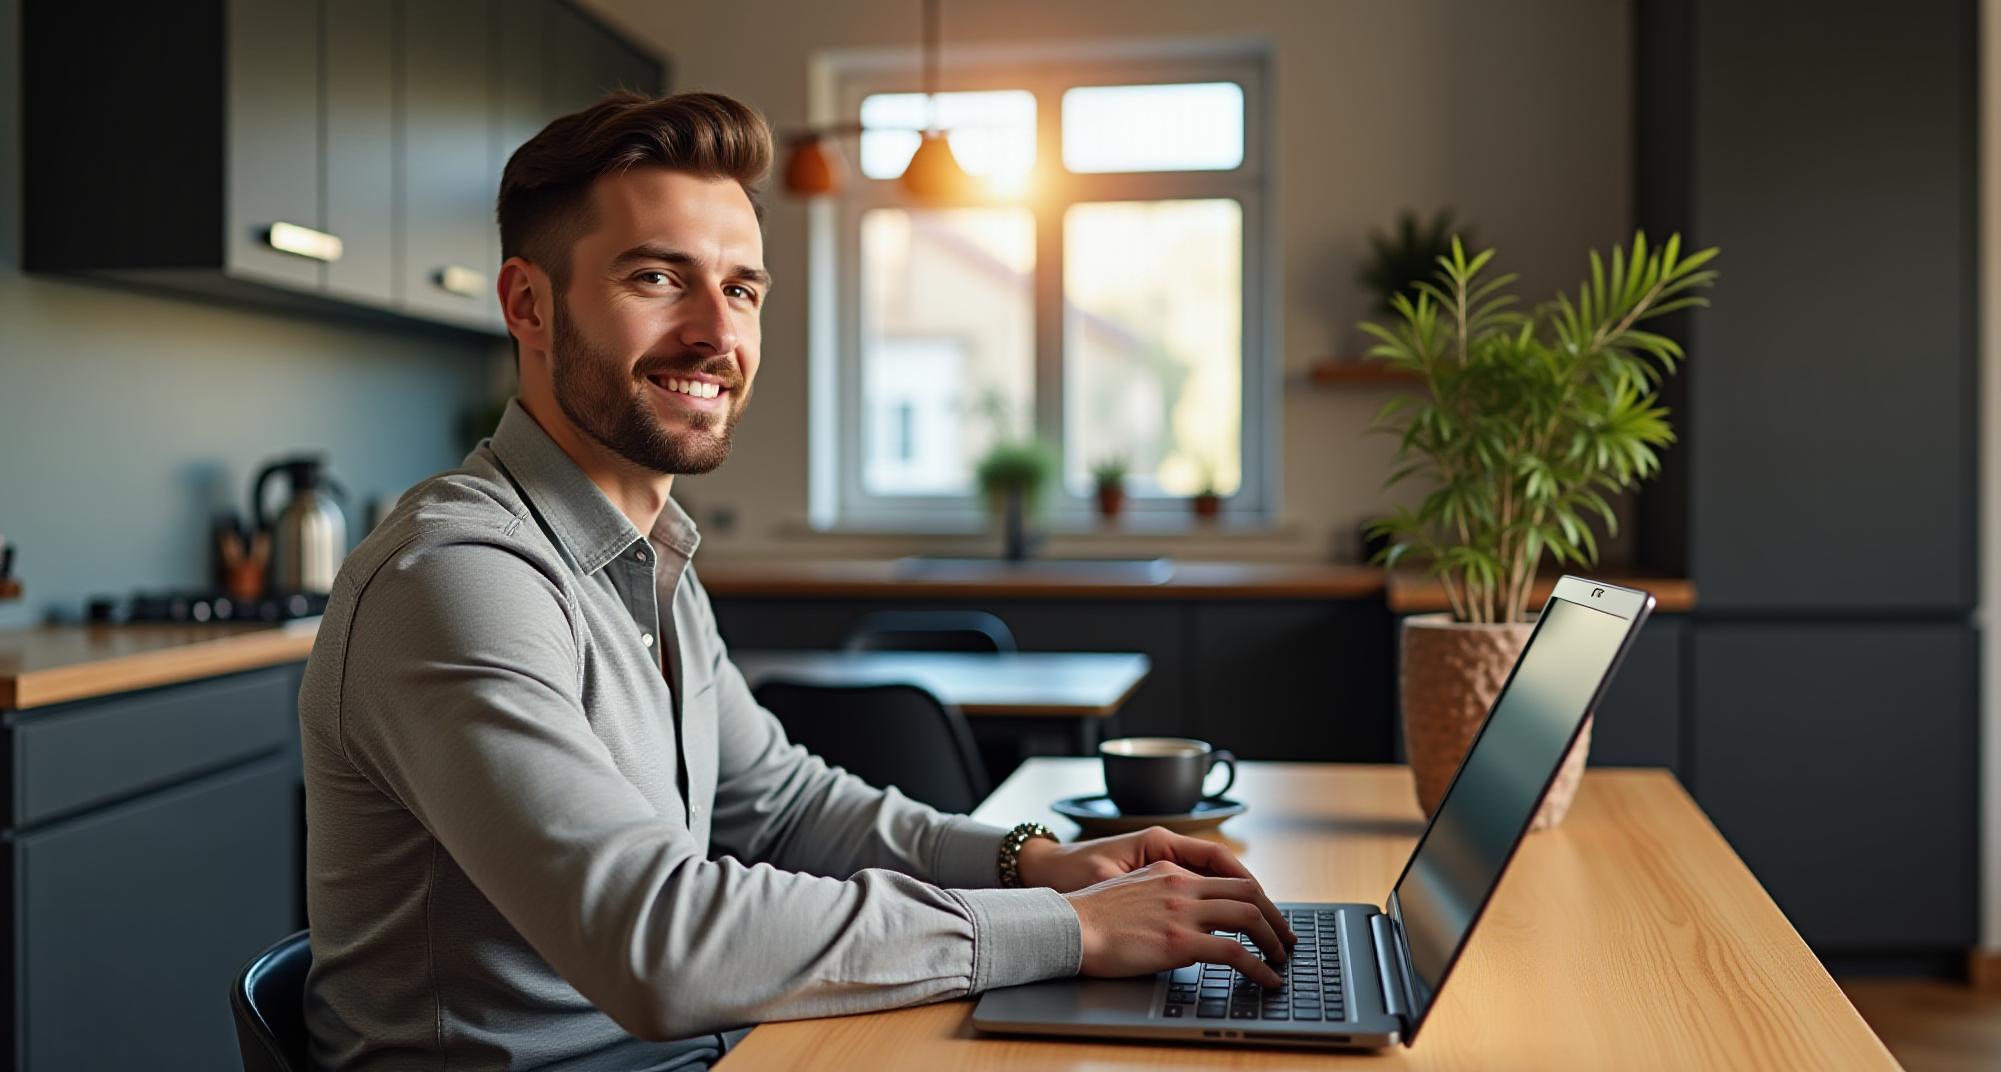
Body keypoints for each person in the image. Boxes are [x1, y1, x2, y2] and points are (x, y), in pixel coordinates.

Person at [297, 91, 1294, 1071]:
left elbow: (782, 809)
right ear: (529, 303)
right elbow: (662, 946)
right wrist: (1064, 926)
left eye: (740, 289)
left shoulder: (653, 562)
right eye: (657, 278)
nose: (713, 333)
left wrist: (1031, 860)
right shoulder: (460, 576)